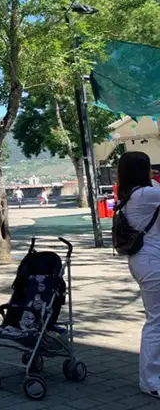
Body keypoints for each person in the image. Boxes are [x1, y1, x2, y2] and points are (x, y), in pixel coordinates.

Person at [117, 151, 160, 399]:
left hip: (144, 260)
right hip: (152, 262)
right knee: (156, 322)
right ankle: (150, 381)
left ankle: (153, 374)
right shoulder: (146, 194)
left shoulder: (133, 193)